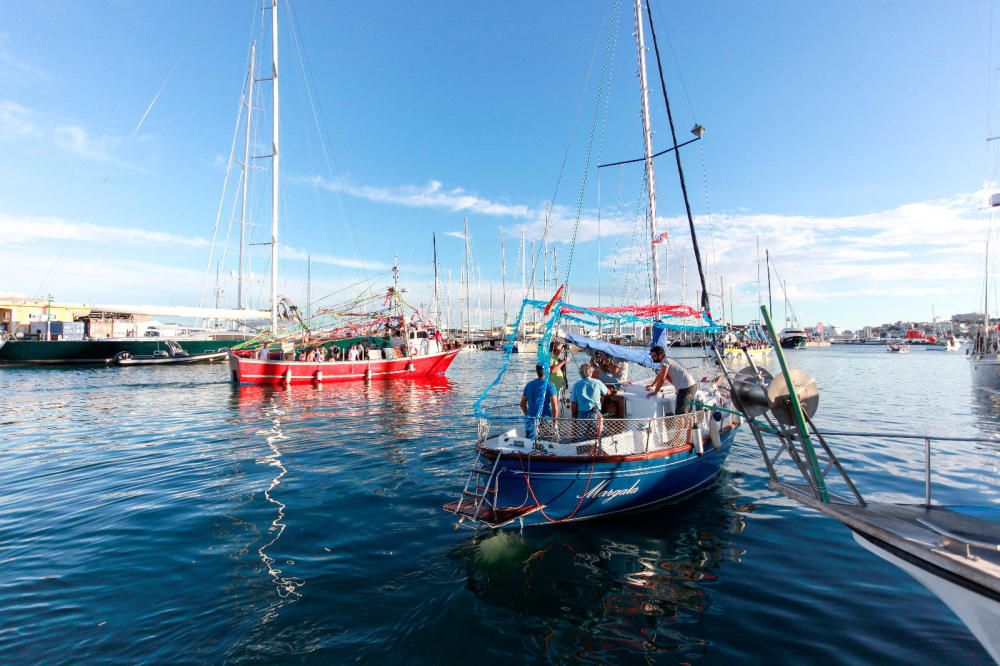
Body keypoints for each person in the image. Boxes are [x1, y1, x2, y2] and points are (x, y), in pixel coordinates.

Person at [646, 345, 697, 414]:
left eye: (654, 356)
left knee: (680, 414)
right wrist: (652, 385)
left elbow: (662, 378)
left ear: (660, 355)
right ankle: (690, 425)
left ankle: (685, 425)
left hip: (686, 389)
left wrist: (655, 392)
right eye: (652, 356)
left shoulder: (665, 361)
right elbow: (660, 375)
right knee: (686, 412)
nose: (652, 358)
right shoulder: (666, 360)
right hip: (690, 387)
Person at [571, 363, 608, 439]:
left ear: (580, 373)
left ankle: (583, 449)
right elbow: (607, 392)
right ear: (591, 372)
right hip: (595, 414)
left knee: (581, 438)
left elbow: (573, 404)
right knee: (601, 436)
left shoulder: (576, 385)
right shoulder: (597, 382)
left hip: (581, 416)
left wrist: (574, 418)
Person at [521, 364, 559, 439]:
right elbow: (555, 407)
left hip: (530, 420)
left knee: (530, 444)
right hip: (544, 420)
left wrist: (527, 413)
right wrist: (555, 424)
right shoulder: (550, 386)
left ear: (537, 371)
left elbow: (522, 404)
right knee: (546, 444)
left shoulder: (529, 385)